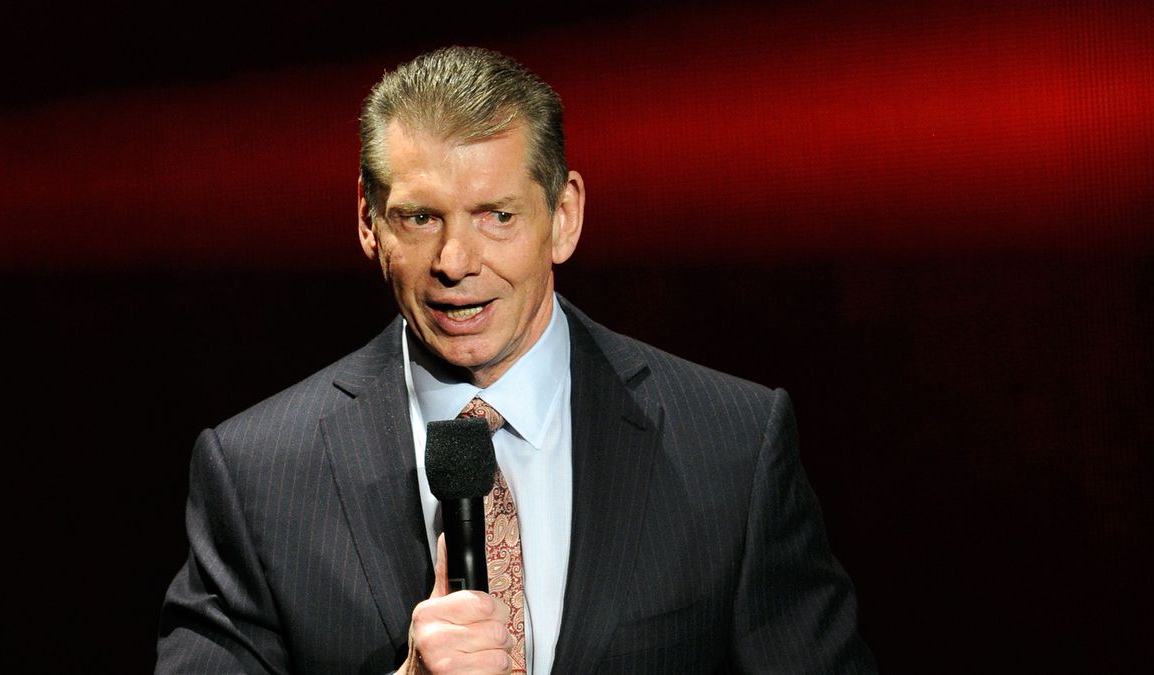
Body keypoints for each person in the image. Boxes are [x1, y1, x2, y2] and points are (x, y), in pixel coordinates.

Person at [156, 46, 876, 674]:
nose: (455, 262)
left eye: (496, 215)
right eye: (419, 217)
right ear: (367, 224)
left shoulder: (731, 446)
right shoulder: (257, 474)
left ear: (563, 217)